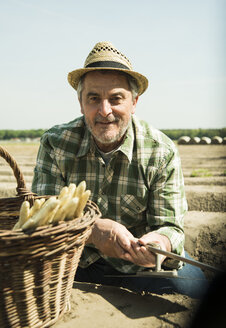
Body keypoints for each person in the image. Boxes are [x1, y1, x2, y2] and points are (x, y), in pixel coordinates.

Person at [32, 41, 208, 298]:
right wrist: (91, 230)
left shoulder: (161, 151)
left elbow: (171, 226)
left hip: (139, 270)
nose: (105, 111)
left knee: (194, 288)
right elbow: (43, 216)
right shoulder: (55, 144)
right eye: (94, 98)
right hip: (73, 262)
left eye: (116, 99)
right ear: (81, 103)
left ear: (134, 102)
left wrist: (159, 243)